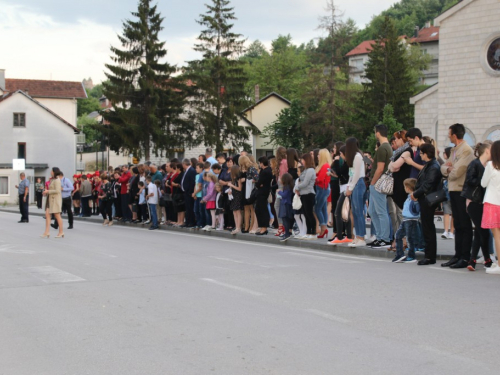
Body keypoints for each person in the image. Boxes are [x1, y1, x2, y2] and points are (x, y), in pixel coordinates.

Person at [441, 123, 475, 269]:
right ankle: (457, 255)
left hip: (461, 190)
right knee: (458, 225)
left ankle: (465, 256)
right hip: (453, 189)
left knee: (464, 224)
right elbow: (444, 167)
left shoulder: (466, 150)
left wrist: (448, 168)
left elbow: (457, 172)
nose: (448, 136)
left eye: (449, 133)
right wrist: (448, 168)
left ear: (455, 135)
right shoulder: (454, 150)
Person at [462, 141, 493, 270]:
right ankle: (479, 260)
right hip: (474, 202)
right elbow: (470, 180)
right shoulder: (474, 164)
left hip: (484, 202)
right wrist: (484, 181)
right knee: (482, 232)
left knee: (481, 233)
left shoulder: (490, 165)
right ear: (486, 151)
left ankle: (480, 260)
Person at [411, 144, 443, 265]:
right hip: (425, 199)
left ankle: (430, 256)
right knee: (427, 227)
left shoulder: (433, 166)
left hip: (428, 200)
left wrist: (416, 193)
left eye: (421, 153)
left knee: (428, 228)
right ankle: (429, 255)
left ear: (426, 154)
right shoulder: (429, 165)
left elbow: (427, 184)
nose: (420, 155)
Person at [387, 130, 413, 248]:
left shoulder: (407, 151)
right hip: (397, 186)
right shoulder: (398, 152)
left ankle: (403, 240)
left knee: (402, 215)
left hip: (403, 187)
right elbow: (391, 166)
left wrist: (393, 165)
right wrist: (393, 165)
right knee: (397, 215)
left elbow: (395, 166)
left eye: (396, 139)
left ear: (403, 139)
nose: (395, 141)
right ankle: (399, 239)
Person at [368, 124, 393, 249]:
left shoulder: (383, 148)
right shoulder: (386, 147)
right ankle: (379, 237)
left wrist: (373, 182)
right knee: (372, 211)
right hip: (379, 183)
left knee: (381, 211)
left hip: (378, 184)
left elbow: (380, 168)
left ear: (377, 133)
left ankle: (385, 238)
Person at [481, 140, 500, 275]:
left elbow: (483, 183)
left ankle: (499, 264)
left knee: (497, 236)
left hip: (493, 202)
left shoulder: (490, 165)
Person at [345, 138, 367, 247]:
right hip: (355, 184)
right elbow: (352, 174)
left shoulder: (357, 156)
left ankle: (361, 237)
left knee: (358, 212)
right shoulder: (355, 156)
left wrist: (350, 187)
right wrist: (349, 186)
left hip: (358, 184)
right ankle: (358, 236)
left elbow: (357, 174)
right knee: (355, 212)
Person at [329, 145, 353, 245]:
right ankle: (348, 236)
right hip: (344, 186)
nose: (340, 155)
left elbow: (342, 172)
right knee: (344, 213)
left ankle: (340, 236)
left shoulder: (347, 163)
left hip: (346, 187)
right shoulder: (347, 163)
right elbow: (339, 174)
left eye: (341, 154)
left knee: (339, 212)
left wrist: (337, 161)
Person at [393, 178, 420, 263]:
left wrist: (415, 202)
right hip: (406, 219)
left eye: (405, 186)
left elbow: (417, 209)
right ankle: (399, 254)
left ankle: (411, 256)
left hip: (411, 220)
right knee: (398, 235)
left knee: (409, 238)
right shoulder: (409, 197)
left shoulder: (414, 197)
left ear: (408, 187)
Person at [295, 153, 316, 240]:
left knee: (309, 213)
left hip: (308, 194)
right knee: (306, 214)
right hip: (303, 194)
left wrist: (297, 187)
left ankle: (313, 232)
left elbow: (305, 183)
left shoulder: (310, 170)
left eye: (303, 160)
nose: (301, 161)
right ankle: (308, 232)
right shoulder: (305, 170)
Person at [41, 168, 64, 239]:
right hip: (50, 199)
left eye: (51, 171)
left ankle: (61, 232)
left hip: (55, 200)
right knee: (47, 215)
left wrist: (48, 191)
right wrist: (46, 192)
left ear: (54, 172)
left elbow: (57, 190)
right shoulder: (53, 179)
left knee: (57, 215)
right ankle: (47, 232)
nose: (50, 172)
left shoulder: (57, 180)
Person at [315, 149, 332, 239]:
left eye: (319, 155)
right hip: (324, 188)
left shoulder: (324, 166)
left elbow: (320, 179)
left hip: (322, 188)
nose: (317, 156)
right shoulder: (326, 165)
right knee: (323, 208)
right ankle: (324, 227)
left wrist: (314, 179)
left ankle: (323, 227)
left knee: (317, 208)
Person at [239, 155, 259, 233]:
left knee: (252, 208)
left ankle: (252, 226)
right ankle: (246, 226)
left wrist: (247, 180)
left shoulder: (251, 168)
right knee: (246, 208)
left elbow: (257, 178)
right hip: (245, 190)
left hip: (251, 190)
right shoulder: (244, 169)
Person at [254, 156, 273, 235]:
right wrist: (258, 183)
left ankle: (264, 227)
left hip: (263, 192)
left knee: (262, 210)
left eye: (259, 163)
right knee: (258, 209)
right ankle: (262, 226)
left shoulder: (266, 171)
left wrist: (258, 183)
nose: (259, 164)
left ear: (262, 163)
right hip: (261, 192)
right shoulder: (263, 170)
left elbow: (259, 183)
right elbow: (259, 183)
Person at [274, 147, 288, 237]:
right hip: (281, 184)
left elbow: (283, 175)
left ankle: (281, 225)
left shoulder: (283, 162)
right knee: (279, 205)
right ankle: (281, 225)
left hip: (282, 185)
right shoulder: (284, 161)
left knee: (278, 205)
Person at [441, 147, 455, 239]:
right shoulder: (446, 164)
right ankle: (447, 231)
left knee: (450, 212)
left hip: (451, 188)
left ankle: (450, 231)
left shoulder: (451, 163)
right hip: (447, 188)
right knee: (447, 211)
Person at [278, 173, 294, 242]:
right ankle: (287, 233)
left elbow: (284, 195)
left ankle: (287, 234)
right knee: (286, 220)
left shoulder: (287, 187)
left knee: (285, 219)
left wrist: (279, 192)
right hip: (287, 204)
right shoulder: (289, 186)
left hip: (285, 204)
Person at [181, 158, 197, 228]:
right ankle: (187, 222)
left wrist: (190, 192)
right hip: (185, 192)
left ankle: (191, 222)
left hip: (189, 193)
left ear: (184, 164)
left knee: (190, 207)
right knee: (187, 208)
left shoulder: (191, 170)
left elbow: (192, 182)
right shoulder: (186, 171)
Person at [228, 165, 244, 234]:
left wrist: (232, 186)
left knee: (238, 211)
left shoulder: (238, 178)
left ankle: (238, 227)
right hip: (234, 195)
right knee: (234, 212)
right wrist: (230, 190)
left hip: (238, 196)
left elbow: (239, 188)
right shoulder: (233, 179)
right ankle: (236, 226)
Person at [294, 166, 307, 238]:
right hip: (298, 198)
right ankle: (301, 230)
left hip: (303, 198)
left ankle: (303, 232)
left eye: (298, 171)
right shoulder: (297, 180)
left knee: (303, 215)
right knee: (296, 215)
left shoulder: (304, 180)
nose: (297, 172)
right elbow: (294, 189)